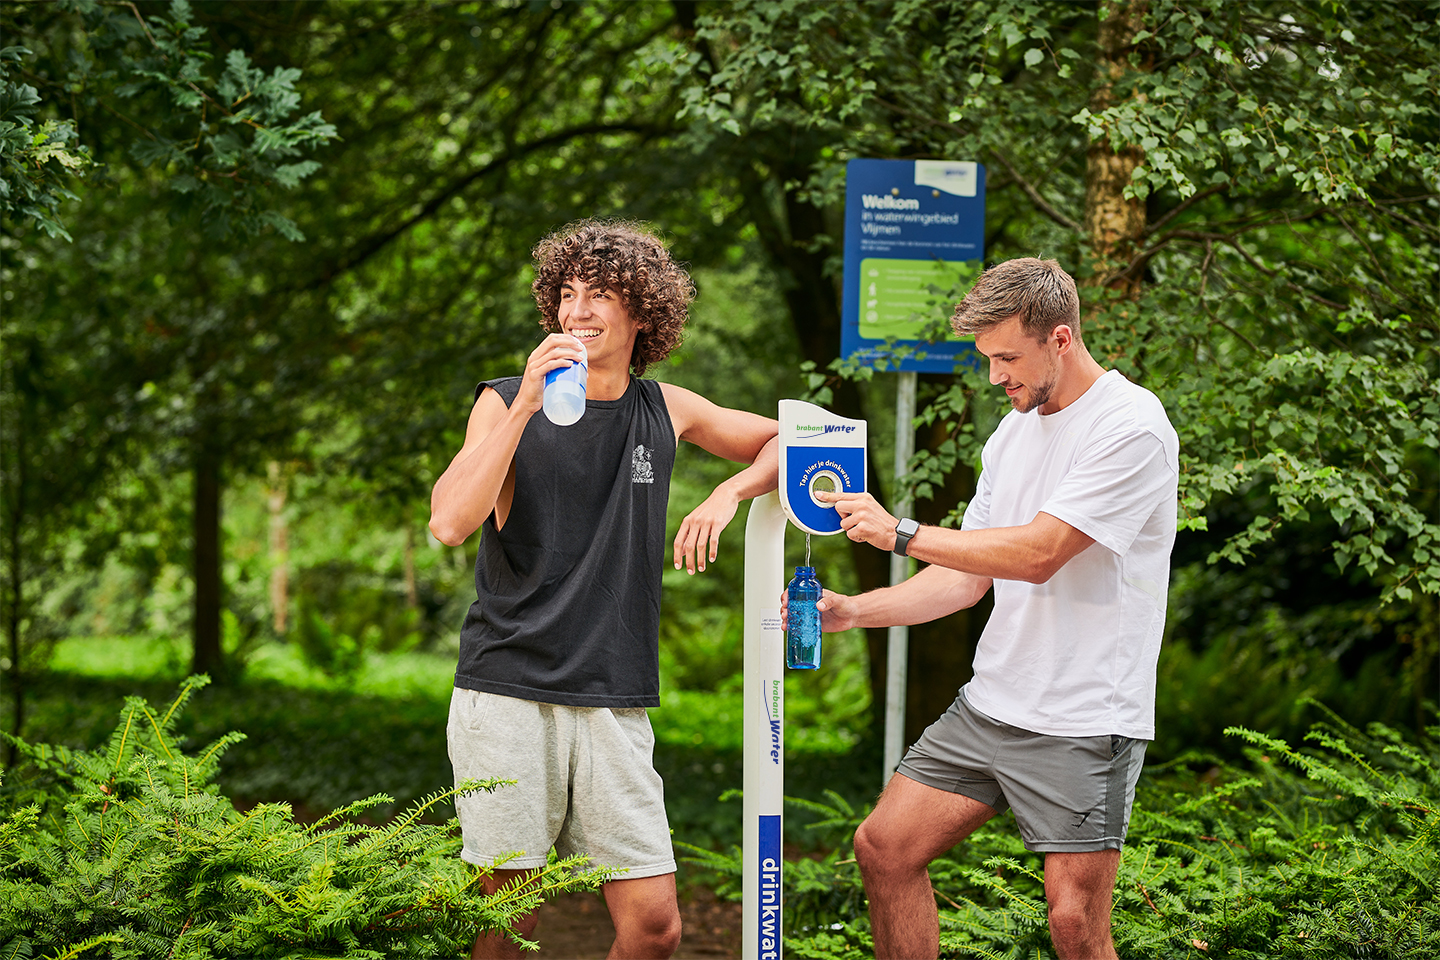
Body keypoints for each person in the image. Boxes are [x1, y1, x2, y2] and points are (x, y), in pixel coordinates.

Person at [429, 219, 779, 960]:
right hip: (509, 687)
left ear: (642, 312)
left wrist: (729, 493)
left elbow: (804, 439)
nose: (577, 311)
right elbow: (449, 523)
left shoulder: (666, 409)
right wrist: (524, 406)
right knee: (508, 919)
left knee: (654, 927)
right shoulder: (502, 401)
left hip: (614, 695)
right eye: (566, 293)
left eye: (599, 295)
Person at [810, 258, 1178, 960]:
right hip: (992, 705)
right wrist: (854, 611)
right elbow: (964, 577)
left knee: (1074, 922)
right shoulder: (1011, 434)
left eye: (1007, 358)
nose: (993, 377)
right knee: (884, 848)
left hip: (1083, 717)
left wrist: (900, 532)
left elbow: (1040, 552)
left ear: (1061, 339)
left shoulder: (1131, 426)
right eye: (986, 359)